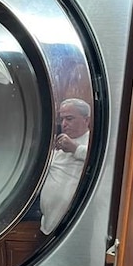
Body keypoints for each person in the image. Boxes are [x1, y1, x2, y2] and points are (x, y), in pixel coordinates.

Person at [40, 98, 90, 235]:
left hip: (71, 226)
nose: (64, 124)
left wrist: (75, 149)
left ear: (86, 120)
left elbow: (102, 163)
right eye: (62, 119)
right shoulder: (60, 140)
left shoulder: (92, 142)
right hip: (47, 222)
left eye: (69, 118)